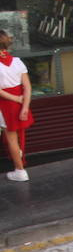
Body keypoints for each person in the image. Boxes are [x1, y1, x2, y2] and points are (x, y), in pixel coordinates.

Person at [0, 30, 32, 182]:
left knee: (12, 138)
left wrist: (16, 99)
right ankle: (19, 161)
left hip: (5, 105)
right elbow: (28, 87)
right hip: (19, 104)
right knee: (17, 136)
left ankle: (20, 170)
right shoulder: (18, 62)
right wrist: (24, 106)